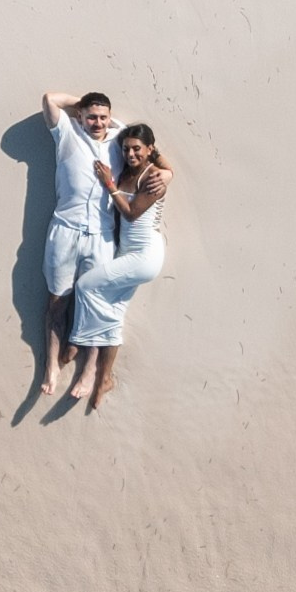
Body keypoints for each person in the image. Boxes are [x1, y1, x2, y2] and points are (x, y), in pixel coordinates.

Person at [66, 124, 170, 414]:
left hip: (144, 255)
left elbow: (132, 212)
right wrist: (115, 125)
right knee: (114, 311)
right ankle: (104, 379)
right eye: (126, 148)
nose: (131, 153)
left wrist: (109, 184)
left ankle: (78, 340)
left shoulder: (153, 178)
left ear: (150, 149)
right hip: (127, 252)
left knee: (86, 286)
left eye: (137, 148)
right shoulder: (130, 170)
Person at [39, 87, 115, 399]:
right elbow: (49, 100)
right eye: (91, 117)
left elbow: (149, 150)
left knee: (95, 303)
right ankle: (51, 367)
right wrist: (78, 105)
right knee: (58, 302)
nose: (97, 123)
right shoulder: (68, 134)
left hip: (101, 234)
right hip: (65, 230)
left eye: (103, 118)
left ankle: (88, 369)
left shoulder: (118, 139)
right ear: (81, 117)